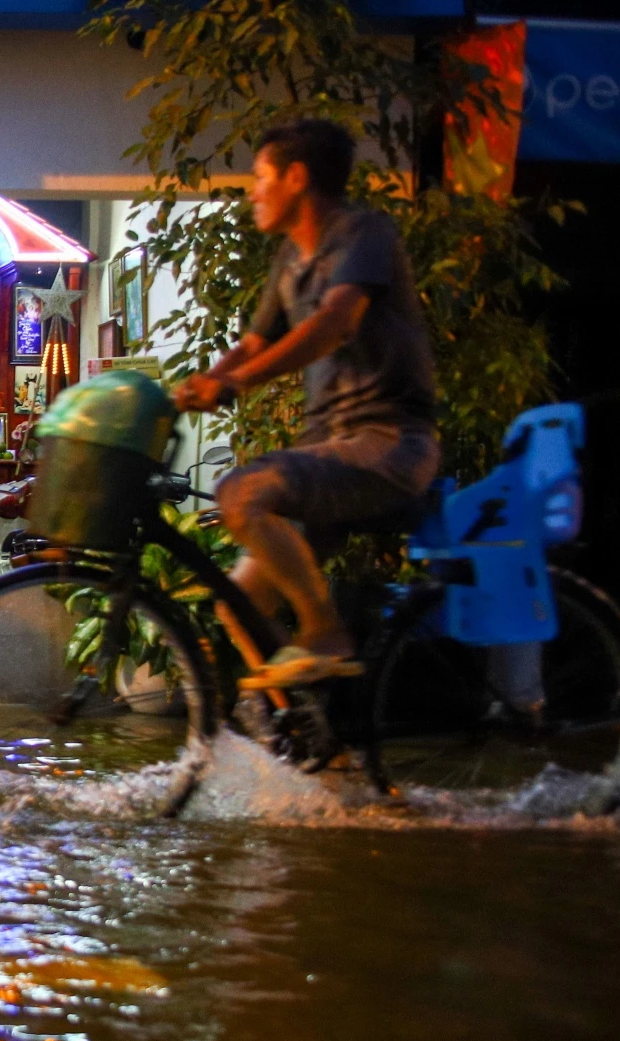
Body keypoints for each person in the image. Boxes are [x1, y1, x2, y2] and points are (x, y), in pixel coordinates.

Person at [173, 118, 437, 689]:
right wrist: (196, 387)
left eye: (260, 176)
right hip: (330, 447)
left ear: (296, 178)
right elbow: (251, 344)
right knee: (236, 604)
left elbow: (333, 323)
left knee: (241, 492)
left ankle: (324, 630)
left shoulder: (364, 234)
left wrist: (235, 386)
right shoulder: (291, 260)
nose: (252, 190)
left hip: (388, 442)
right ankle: (314, 745)